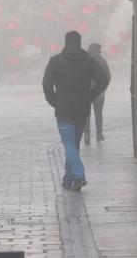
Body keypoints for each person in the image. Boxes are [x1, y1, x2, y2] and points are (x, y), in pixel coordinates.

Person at [42, 31, 109, 191]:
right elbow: (103, 79)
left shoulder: (55, 61)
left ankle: (79, 175)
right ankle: (68, 179)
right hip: (81, 110)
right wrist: (89, 96)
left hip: (64, 110)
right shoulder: (89, 61)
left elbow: (46, 84)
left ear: (66, 42)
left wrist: (55, 102)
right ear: (79, 42)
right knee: (73, 145)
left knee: (69, 144)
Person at [84, 43, 111, 145]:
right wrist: (103, 89)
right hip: (99, 92)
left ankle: (87, 135)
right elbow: (108, 76)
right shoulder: (101, 61)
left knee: (86, 114)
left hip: (86, 92)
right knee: (98, 114)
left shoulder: (84, 60)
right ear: (97, 50)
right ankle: (99, 134)